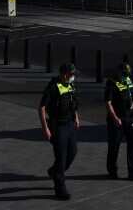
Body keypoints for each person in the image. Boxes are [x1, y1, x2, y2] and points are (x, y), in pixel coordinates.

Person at [39, 62, 82, 200]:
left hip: (69, 123)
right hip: (57, 125)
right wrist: (45, 128)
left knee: (73, 151)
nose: (73, 77)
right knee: (61, 158)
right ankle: (60, 189)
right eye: (72, 74)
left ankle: (54, 171)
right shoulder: (53, 86)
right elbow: (42, 108)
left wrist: (76, 117)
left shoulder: (70, 85)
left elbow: (73, 103)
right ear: (64, 74)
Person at [104, 62, 133, 180]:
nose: (126, 75)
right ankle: (112, 170)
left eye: (127, 74)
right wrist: (115, 118)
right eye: (124, 73)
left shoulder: (128, 80)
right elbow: (108, 103)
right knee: (114, 145)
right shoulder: (111, 83)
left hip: (130, 117)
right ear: (118, 72)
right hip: (117, 119)